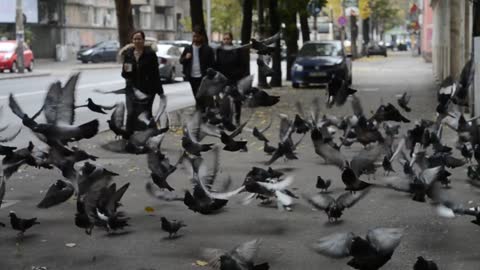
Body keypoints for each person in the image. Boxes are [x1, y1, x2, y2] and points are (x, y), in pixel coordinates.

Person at [120, 30, 163, 138]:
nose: (137, 41)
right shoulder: (128, 54)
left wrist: (160, 91)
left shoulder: (150, 54)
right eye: (135, 39)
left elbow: (155, 74)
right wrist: (126, 71)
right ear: (132, 41)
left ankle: (148, 136)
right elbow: (124, 74)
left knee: (145, 114)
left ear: (143, 40)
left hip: (147, 89)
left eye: (139, 39)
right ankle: (128, 138)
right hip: (131, 89)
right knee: (130, 113)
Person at [179, 25, 215, 110]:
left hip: (202, 79)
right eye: (194, 36)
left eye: (197, 36)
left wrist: (209, 75)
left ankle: (201, 116)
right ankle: (199, 116)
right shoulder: (188, 48)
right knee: (194, 99)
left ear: (201, 37)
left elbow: (212, 64)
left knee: (201, 99)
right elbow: (181, 61)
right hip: (190, 78)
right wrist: (186, 58)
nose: (195, 38)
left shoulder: (208, 49)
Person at [215, 32, 246, 124]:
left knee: (237, 100)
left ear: (231, 39)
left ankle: (237, 119)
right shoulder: (219, 50)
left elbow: (242, 65)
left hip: (235, 79)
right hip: (223, 79)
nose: (226, 41)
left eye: (227, 39)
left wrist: (239, 76)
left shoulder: (237, 50)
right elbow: (217, 64)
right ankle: (225, 119)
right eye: (224, 39)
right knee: (223, 100)